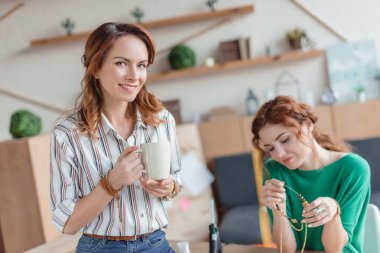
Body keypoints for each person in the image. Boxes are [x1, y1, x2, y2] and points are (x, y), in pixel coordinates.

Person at [50, 22, 181, 253]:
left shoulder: (161, 120)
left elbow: (175, 183)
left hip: (156, 245)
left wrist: (168, 187)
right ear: (96, 67)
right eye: (121, 63)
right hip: (100, 248)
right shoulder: (67, 134)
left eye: (141, 65)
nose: (134, 76)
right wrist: (112, 182)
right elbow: (67, 224)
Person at [251, 96, 370, 253]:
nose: (279, 154)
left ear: (307, 125)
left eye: (285, 140)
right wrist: (277, 210)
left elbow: (334, 249)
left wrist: (334, 212)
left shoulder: (354, 169)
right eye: (270, 148)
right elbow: (286, 250)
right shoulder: (274, 169)